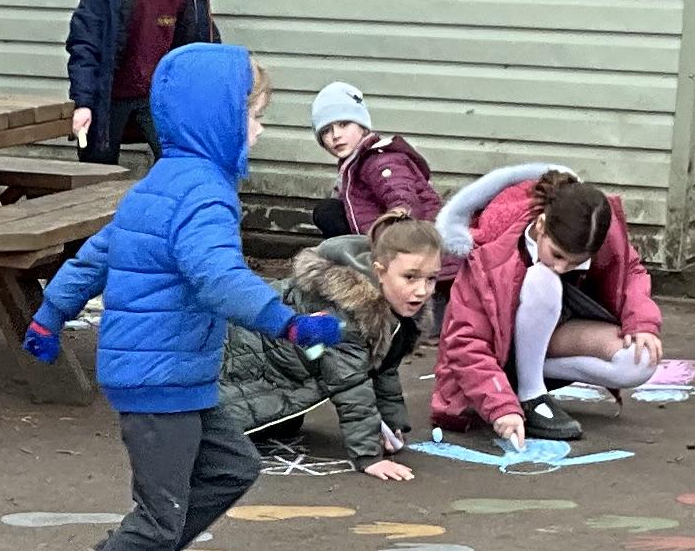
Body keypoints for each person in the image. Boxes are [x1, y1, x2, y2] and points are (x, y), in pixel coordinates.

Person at [21, 45, 346, 551]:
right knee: (160, 512)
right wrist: (289, 324)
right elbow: (218, 279)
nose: (259, 130)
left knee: (232, 468)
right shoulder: (203, 196)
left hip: (177, 373)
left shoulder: (161, 183)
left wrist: (49, 314)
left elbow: (96, 255)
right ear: (215, 119)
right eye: (253, 115)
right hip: (159, 377)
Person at [428, 166, 662, 449]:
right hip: (496, 351)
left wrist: (642, 323)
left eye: (576, 262)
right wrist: (500, 405)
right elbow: (465, 342)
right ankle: (530, 395)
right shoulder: (491, 253)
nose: (562, 267)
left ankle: (523, 379)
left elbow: (631, 272)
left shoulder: (595, 231)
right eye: (558, 254)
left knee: (640, 359)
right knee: (543, 278)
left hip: (548, 336)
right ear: (540, 225)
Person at [217, 223, 430, 481]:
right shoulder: (349, 314)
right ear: (379, 271)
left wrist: (393, 422)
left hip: (278, 364)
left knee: (282, 419)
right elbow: (350, 384)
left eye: (431, 279)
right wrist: (368, 457)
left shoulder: (395, 308)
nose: (423, 290)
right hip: (241, 361)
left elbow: (384, 366)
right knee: (219, 429)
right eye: (410, 277)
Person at [65, 0, 218, 166]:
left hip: (157, 97)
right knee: (97, 165)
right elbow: (84, 48)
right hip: (109, 96)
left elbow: (194, 51)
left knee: (178, 157)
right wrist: (84, 103)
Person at [305, 83, 438, 241]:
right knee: (330, 211)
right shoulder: (353, 164)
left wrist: (393, 242)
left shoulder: (380, 160)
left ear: (363, 128)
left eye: (343, 124)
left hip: (417, 241)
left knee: (327, 211)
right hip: (380, 236)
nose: (335, 135)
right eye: (326, 131)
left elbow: (402, 199)